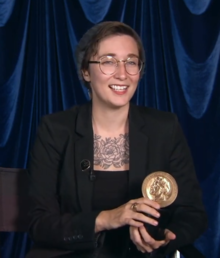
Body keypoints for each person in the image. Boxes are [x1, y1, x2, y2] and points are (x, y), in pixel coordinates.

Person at [26, 21, 207, 258]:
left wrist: (164, 237)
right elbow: (39, 222)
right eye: (108, 61)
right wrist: (107, 219)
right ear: (85, 72)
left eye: (131, 62)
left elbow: (192, 213)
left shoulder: (165, 128)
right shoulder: (56, 130)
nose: (122, 74)